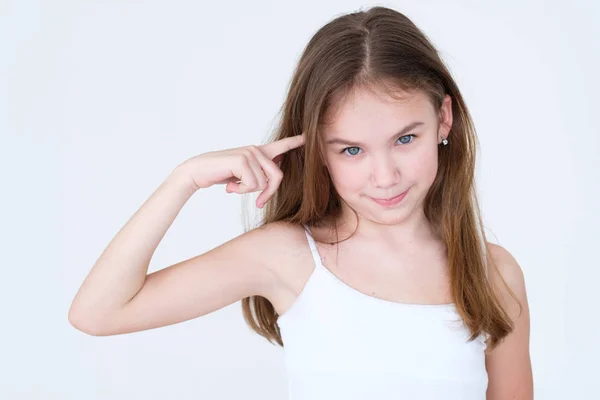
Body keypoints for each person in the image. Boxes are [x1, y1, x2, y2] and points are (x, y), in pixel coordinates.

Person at [68, 5, 533, 400]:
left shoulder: (492, 273)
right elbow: (99, 312)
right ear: (317, 151)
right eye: (352, 149)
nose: (385, 176)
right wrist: (183, 179)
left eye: (406, 138)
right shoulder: (288, 256)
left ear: (444, 119)